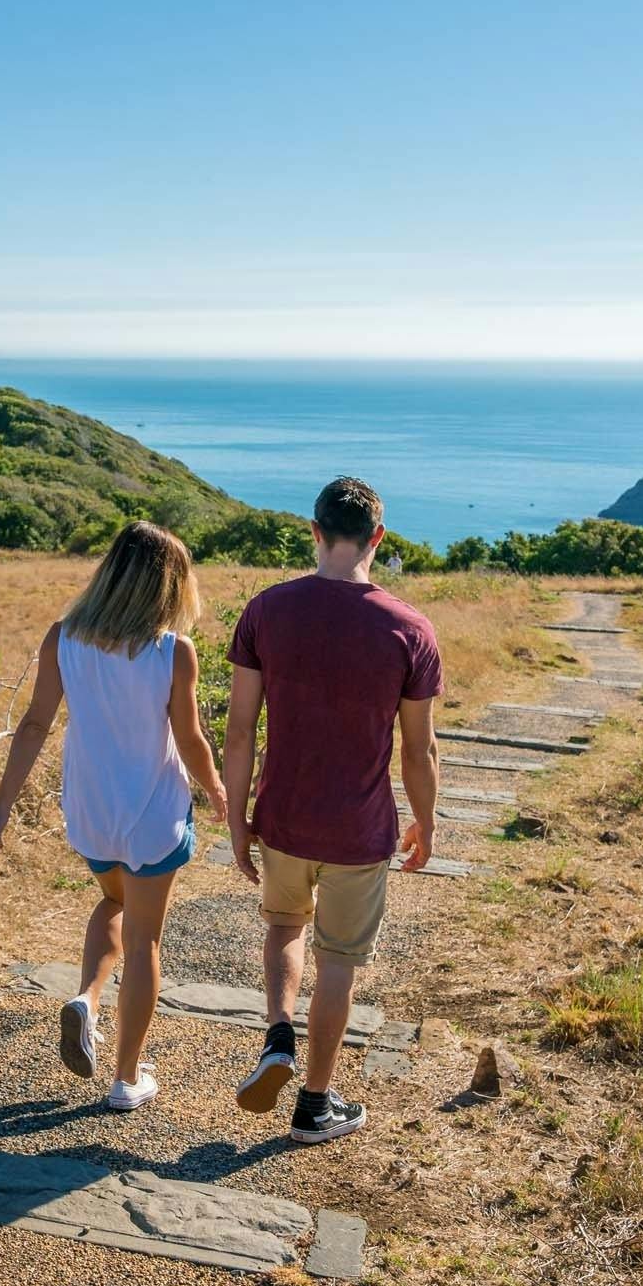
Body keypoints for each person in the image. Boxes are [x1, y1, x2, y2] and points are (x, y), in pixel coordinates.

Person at [0, 521, 229, 1111]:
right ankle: (126, 1077)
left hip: (90, 811)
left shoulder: (63, 638)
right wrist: (217, 789)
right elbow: (189, 739)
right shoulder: (172, 651)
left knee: (114, 902)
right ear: (167, 587)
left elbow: (35, 725)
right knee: (144, 941)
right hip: (152, 813)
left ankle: (87, 999)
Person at [223, 477, 441, 1144]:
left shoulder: (267, 611)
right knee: (339, 959)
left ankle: (278, 1037)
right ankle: (316, 1104)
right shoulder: (410, 629)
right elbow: (418, 748)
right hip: (360, 829)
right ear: (378, 537)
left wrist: (236, 820)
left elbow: (238, 731)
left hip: (283, 817)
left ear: (313, 531)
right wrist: (426, 822)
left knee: (285, 924)